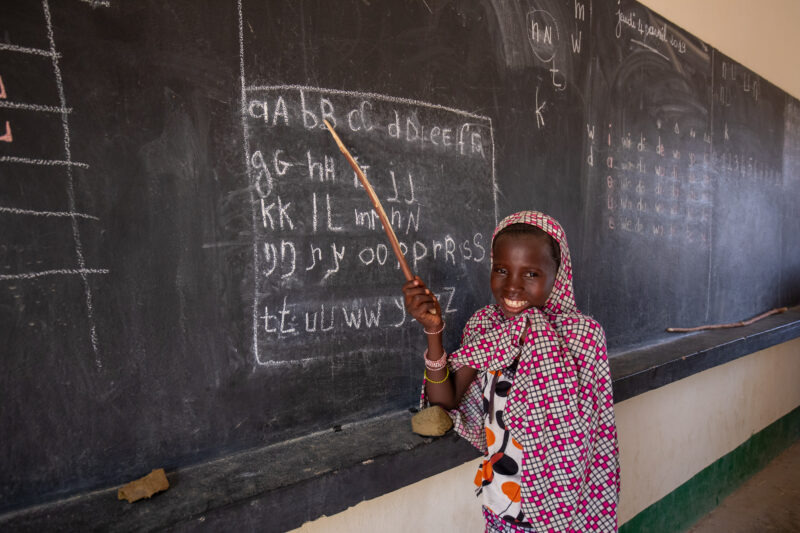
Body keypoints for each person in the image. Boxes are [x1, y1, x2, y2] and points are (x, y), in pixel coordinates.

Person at [402, 211, 619, 532]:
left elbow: (590, 437)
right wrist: (433, 332)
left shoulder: (582, 337)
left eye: (530, 274)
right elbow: (446, 402)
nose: (512, 287)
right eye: (501, 270)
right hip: (503, 504)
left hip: (568, 510)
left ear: (557, 275)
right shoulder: (486, 327)